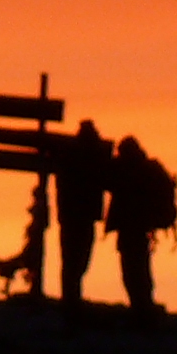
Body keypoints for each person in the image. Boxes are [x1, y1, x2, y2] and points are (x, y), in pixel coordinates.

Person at [108, 132, 177, 314]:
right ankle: (143, 303)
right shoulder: (145, 169)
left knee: (133, 269)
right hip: (140, 228)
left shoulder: (126, 171)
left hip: (132, 228)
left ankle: (141, 305)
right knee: (139, 267)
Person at [49, 119, 111, 303]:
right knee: (79, 260)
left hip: (70, 217)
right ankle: (71, 298)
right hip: (84, 217)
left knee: (70, 261)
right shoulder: (96, 154)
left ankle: (70, 297)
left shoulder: (68, 153)